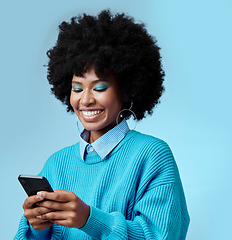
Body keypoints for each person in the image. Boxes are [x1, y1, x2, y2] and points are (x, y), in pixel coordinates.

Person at [15, 10, 190, 240]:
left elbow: (163, 235)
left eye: (99, 88)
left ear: (126, 90)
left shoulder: (152, 155)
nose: (85, 99)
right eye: (77, 88)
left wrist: (89, 219)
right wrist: (39, 228)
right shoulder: (56, 164)